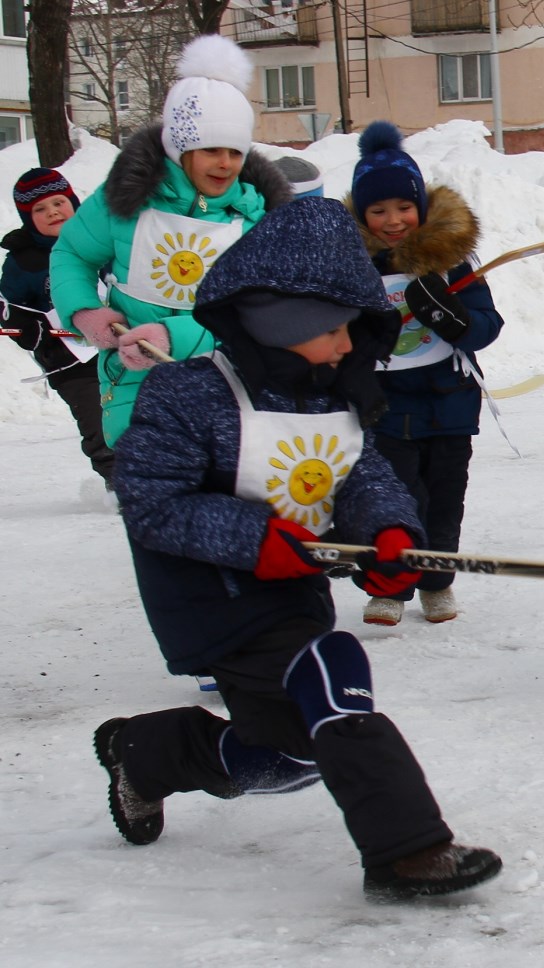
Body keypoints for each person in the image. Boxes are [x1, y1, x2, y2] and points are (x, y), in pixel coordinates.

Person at [97, 196, 501, 901]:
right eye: (337, 330)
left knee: (286, 753)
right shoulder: (186, 395)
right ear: (285, 321)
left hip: (293, 590)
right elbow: (151, 503)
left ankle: (144, 753)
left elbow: (362, 476)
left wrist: (388, 533)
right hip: (214, 600)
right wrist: (256, 538)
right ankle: (407, 851)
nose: (349, 346)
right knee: (332, 666)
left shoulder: (327, 396)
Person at [50, 33, 290, 450]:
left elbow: (260, 312)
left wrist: (173, 336)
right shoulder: (125, 201)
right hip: (135, 395)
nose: (225, 164)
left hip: (227, 397)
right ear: (179, 149)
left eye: (235, 152)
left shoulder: (257, 219)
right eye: (210, 149)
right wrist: (85, 311)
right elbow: (71, 253)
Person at [344, 120, 505, 627]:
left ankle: (437, 581)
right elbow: (335, 333)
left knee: (443, 500)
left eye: (403, 207)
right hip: (387, 407)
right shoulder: (351, 266)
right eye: (379, 210)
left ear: (421, 207)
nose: (393, 220)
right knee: (390, 502)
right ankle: (388, 585)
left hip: (450, 400)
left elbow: (487, 324)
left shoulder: (451, 261)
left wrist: (455, 318)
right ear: (363, 215)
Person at [1, 168, 115, 492]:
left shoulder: (100, 241)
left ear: (74, 203)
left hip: (119, 347)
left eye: (58, 202)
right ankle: (118, 481)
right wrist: (26, 328)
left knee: (136, 411)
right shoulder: (23, 263)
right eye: (39, 209)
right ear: (27, 218)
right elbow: (9, 309)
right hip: (69, 359)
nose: (51, 211)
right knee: (98, 418)